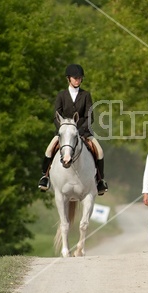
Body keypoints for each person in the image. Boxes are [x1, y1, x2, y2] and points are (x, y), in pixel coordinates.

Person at [38, 64, 108, 196]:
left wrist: (79, 131)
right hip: (64, 133)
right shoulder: (61, 95)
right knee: (49, 149)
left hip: (83, 132)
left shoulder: (86, 95)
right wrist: (64, 130)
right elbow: (56, 116)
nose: (77, 80)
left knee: (99, 151)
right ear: (68, 79)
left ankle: (100, 180)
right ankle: (45, 177)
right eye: (75, 78)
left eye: (80, 78)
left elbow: (89, 116)